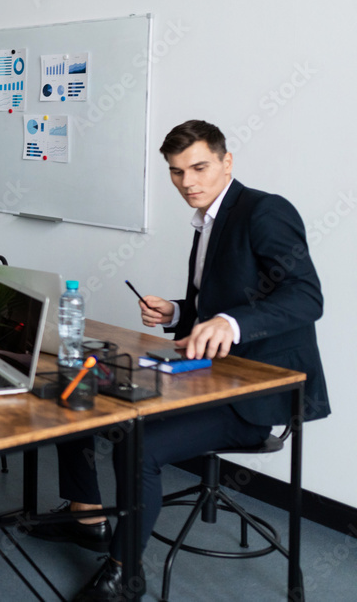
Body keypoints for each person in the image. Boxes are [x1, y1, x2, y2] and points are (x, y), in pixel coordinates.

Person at [44, 120, 331, 601]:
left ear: (226, 162)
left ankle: (123, 572)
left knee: (138, 445)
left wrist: (231, 324)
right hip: (208, 376)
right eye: (177, 173)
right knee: (79, 393)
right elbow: (217, 303)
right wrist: (178, 311)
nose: (188, 183)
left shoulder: (264, 212)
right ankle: (86, 516)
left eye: (199, 168)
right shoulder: (209, 220)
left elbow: (307, 297)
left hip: (259, 393)